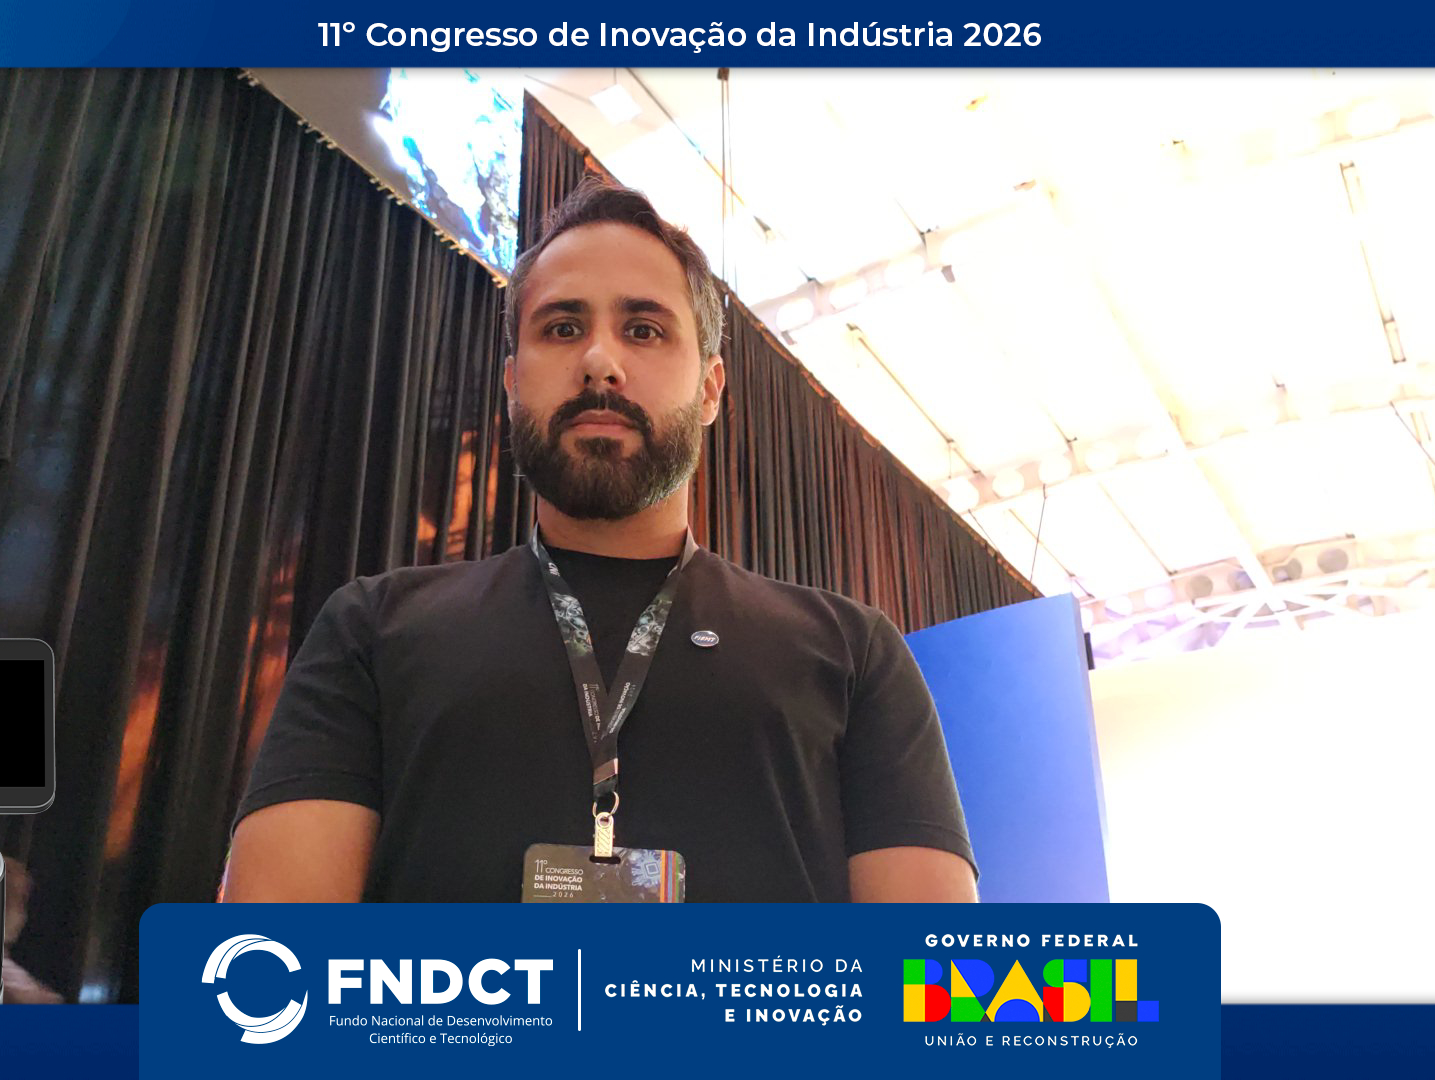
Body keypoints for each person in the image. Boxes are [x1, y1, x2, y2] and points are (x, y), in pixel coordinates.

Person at [224, 179, 977, 903]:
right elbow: (273, 965)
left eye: (643, 330)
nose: (600, 363)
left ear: (710, 388)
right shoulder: (372, 630)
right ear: (512, 382)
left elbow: (935, 971)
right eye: (562, 328)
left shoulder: (852, 653)